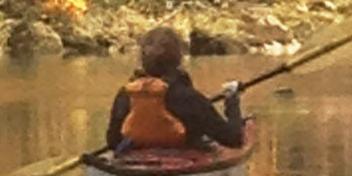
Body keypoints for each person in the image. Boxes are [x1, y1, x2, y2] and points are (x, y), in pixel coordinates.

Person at [105, 26, 247, 158]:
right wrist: (232, 101)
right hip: (184, 166)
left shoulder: (126, 94)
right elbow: (233, 139)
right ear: (178, 59)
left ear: (142, 60)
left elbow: (113, 141)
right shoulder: (189, 98)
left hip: (135, 164)